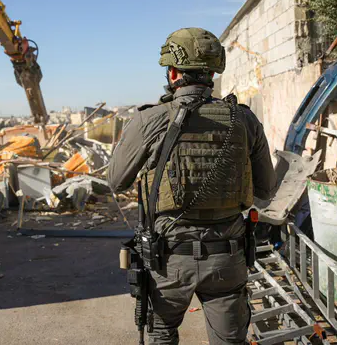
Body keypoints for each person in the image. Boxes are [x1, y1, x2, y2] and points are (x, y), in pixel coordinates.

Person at [108, 27, 276, 345]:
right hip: (227, 259)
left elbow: (116, 181)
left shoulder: (149, 120)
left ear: (173, 73)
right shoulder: (245, 119)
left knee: (161, 335)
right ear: (212, 73)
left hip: (168, 261)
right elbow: (266, 191)